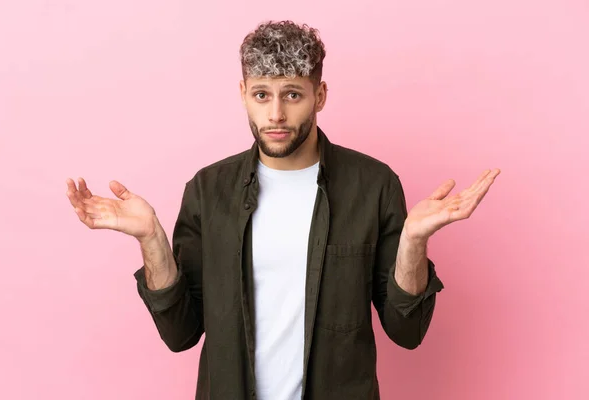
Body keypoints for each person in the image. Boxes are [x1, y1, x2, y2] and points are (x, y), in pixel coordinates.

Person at [66, 20, 500, 400]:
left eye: (292, 94)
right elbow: (181, 333)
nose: (275, 114)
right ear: (243, 94)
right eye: (261, 94)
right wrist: (152, 241)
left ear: (320, 95)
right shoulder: (207, 189)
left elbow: (406, 332)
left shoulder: (374, 185)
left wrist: (413, 242)